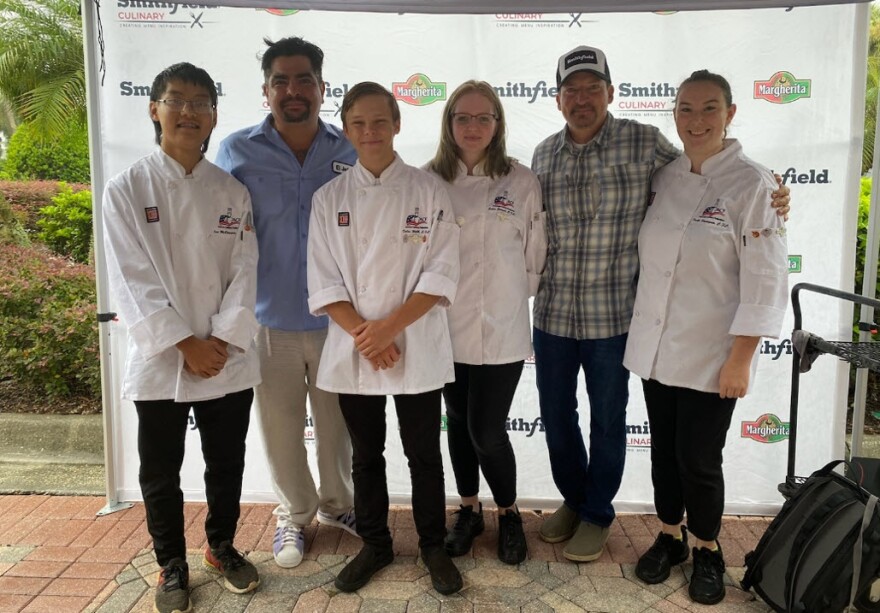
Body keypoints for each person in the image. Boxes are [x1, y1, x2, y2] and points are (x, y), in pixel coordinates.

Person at [531, 45, 791, 563]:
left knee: (611, 424)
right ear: (558, 98)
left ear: (611, 92)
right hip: (556, 316)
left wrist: (777, 194)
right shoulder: (542, 155)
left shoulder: (646, 143)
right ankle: (575, 499)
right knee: (557, 418)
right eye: (572, 90)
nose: (582, 99)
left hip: (615, 320)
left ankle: (599, 512)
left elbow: (715, 173)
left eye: (593, 88)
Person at [624, 70, 787, 605]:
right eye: (687, 109)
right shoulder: (665, 176)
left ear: (731, 113)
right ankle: (670, 536)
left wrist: (741, 360)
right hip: (655, 348)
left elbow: (765, 281)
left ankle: (709, 549)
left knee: (699, 458)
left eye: (709, 109)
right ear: (674, 114)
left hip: (714, 354)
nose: (697, 121)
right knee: (663, 456)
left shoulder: (754, 184)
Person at [102, 62, 261, 613]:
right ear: (154, 109)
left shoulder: (231, 191)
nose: (189, 111)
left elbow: (245, 269)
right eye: (176, 100)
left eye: (201, 102)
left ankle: (221, 546)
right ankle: (170, 562)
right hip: (163, 359)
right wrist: (182, 343)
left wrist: (220, 341)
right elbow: (130, 278)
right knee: (160, 469)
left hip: (226, 356)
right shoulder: (127, 189)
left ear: (215, 114)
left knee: (227, 462)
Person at [307, 82, 464, 595]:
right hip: (356, 348)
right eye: (359, 123)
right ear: (347, 129)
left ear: (397, 123)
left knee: (423, 453)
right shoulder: (329, 198)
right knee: (365, 455)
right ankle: (374, 544)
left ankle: (433, 546)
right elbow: (323, 280)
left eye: (380, 121)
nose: (370, 132)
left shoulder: (428, 190)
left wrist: (388, 329)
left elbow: (441, 273)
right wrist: (366, 335)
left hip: (414, 341)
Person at [215, 36, 357, 570]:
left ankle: (340, 507)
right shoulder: (236, 151)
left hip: (337, 319)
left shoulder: (349, 149)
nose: (292, 91)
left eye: (303, 80)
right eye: (281, 81)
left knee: (337, 423)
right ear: (266, 89)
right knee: (279, 425)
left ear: (322, 88)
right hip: (266, 319)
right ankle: (294, 515)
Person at [425, 80, 546, 565]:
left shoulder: (521, 180)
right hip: (443, 327)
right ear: (448, 123)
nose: (473, 127)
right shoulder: (427, 180)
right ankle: (469, 509)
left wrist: (509, 297)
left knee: (487, 430)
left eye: (483, 117)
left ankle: (509, 513)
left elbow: (534, 256)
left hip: (502, 328)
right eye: (463, 117)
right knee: (457, 423)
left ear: (497, 125)